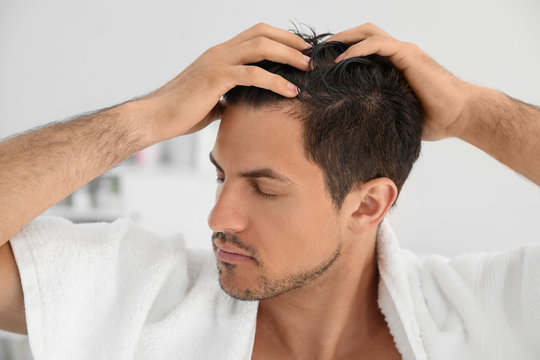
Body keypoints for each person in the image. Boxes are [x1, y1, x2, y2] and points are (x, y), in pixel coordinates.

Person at [0, 22, 538, 360]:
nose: (219, 216)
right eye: (220, 175)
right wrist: (147, 117)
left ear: (368, 204)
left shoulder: (491, 313)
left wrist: (474, 112)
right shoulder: (141, 298)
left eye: (264, 188)